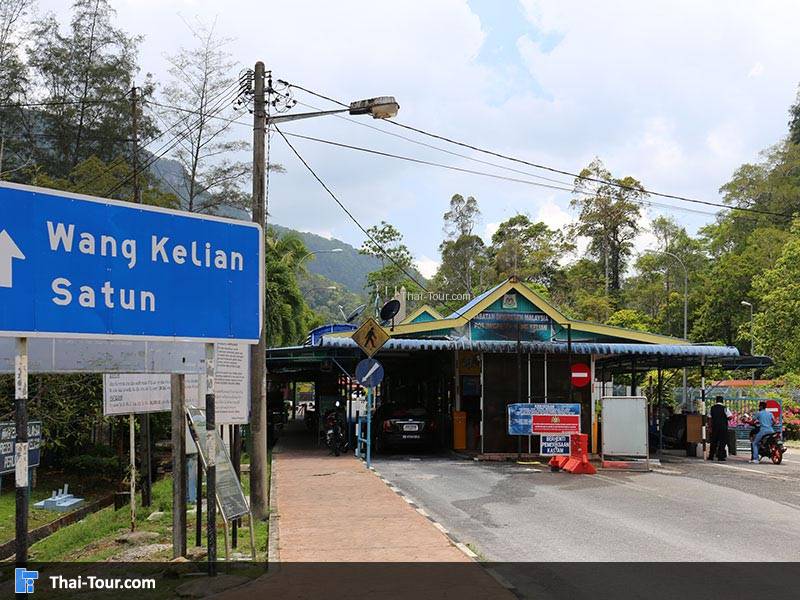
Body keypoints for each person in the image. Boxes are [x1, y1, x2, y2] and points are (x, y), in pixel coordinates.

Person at [708, 396, 731, 461]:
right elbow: (730, 417)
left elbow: (709, 418)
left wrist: (710, 427)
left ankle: (711, 456)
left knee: (713, 441)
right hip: (723, 427)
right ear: (722, 401)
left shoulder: (712, 408)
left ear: (716, 401)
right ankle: (720, 457)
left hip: (714, 427)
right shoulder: (725, 408)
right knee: (722, 442)